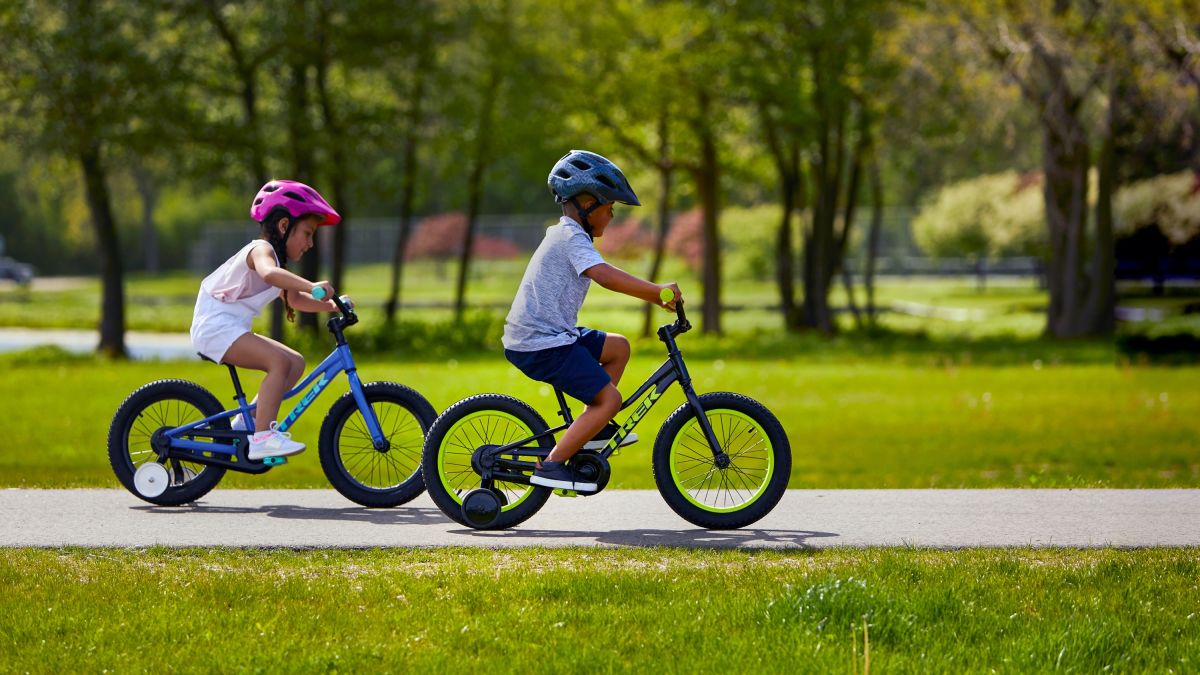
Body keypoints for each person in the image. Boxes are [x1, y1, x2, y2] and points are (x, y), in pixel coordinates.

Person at [502, 150, 681, 492]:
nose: (612, 216)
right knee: (610, 400)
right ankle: (552, 464)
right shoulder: (570, 236)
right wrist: (657, 293)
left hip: (554, 335)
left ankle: (592, 427)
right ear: (587, 203)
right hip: (540, 342)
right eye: (609, 207)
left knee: (618, 348)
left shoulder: (571, 234)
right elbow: (603, 275)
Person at [189, 179, 341, 460]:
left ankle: (247, 426)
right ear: (284, 226)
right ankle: (263, 438)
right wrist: (312, 285)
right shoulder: (261, 251)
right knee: (278, 362)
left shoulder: (278, 264)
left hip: (229, 327)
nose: (310, 243)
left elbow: (293, 300)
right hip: (215, 326)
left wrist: (333, 306)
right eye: (307, 233)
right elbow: (269, 274)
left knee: (295, 363)